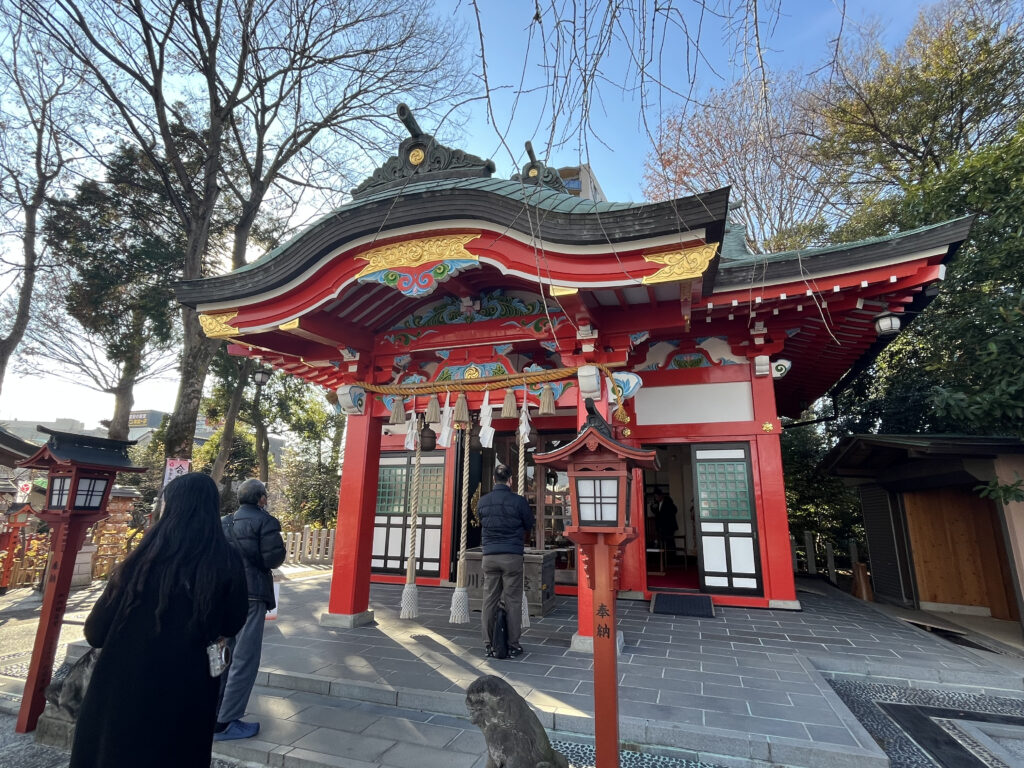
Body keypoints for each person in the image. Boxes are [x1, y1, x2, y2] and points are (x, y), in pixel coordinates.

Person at [69, 473, 248, 768]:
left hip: (120, 688)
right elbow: (232, 624)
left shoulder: (141, 560)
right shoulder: (226, 560)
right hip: (188, 689)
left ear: (172, 507)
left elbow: (95, 632)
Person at [214, 478, 286, 740]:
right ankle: (226, 720)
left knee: (222, 652)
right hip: (252, 594)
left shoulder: (224, 522)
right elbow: (273, 558)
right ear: (262, 499)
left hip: (225, 594)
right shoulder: (265, 522)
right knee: (245, 657)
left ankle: (212, 710)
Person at [478, 464, 534, 659]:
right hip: (512, 556)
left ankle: (488, 644)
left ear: (494, 480)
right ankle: (512, 645)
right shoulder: (518, 502)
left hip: (490, 556)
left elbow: (481, 521)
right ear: (510, 480)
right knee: (512, 600)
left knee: (489, 599)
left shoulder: (482, 502)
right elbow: (529, 524)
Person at [651, 488, 679, 560]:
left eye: (657, 497)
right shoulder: (657, 503)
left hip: (669, 526)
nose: (656, 498)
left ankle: (672, 558)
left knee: (670, 542)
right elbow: (656, 513)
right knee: (663, 542)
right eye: (655, 497)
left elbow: (674, 510)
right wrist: (652, 507)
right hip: (661, 526)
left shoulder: (668, 501)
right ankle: (665, 558)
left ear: (661, 496)